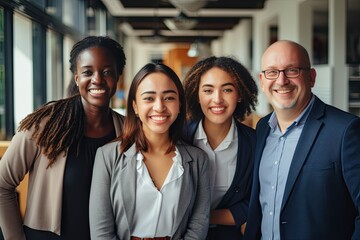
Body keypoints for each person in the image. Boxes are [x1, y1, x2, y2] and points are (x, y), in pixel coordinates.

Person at [0, 35, 126, 240]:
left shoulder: (127, 130)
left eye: (107, 72)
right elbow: (2, 183)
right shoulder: (46, 125)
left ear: (117, 77)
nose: (97, 79)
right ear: (76, 78)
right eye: (87, 72)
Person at [244, 40, 360, 240]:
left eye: (292, 70)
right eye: (272, 72)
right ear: (262, 81)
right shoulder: (262, 128)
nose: (281, 81)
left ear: (311, 77)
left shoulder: (345, 131)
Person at [89, 63, 211, 240]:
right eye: (149, 98)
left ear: (179, 105)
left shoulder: (198, 160)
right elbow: (101, 230)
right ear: (135, 106)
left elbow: (199, 222)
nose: (159, 107)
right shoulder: (107, 156)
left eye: (169, 98)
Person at [182, 56, 258, 240]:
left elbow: (257, 200)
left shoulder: (255, 143)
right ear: (197, 95)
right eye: (208, 90)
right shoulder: (178, 138)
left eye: (227, 89)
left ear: (239, 94)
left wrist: (204, 217)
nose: (217, 99)